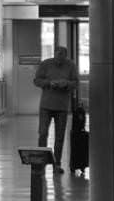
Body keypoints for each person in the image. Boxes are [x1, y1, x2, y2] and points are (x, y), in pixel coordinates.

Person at [33, 44, 79, 173]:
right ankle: (41, 162)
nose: (60, 59)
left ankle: (56, 164)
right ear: (54, 54)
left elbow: (75, 82)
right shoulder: (45, 64)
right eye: (58, 56)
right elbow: (36, 80)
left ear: (66, 56)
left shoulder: (71, 66)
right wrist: (49, 83)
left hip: (62, 107)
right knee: (43, 134)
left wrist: (66, 84)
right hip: (46, 106)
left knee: (60, 137)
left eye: (63, 57)